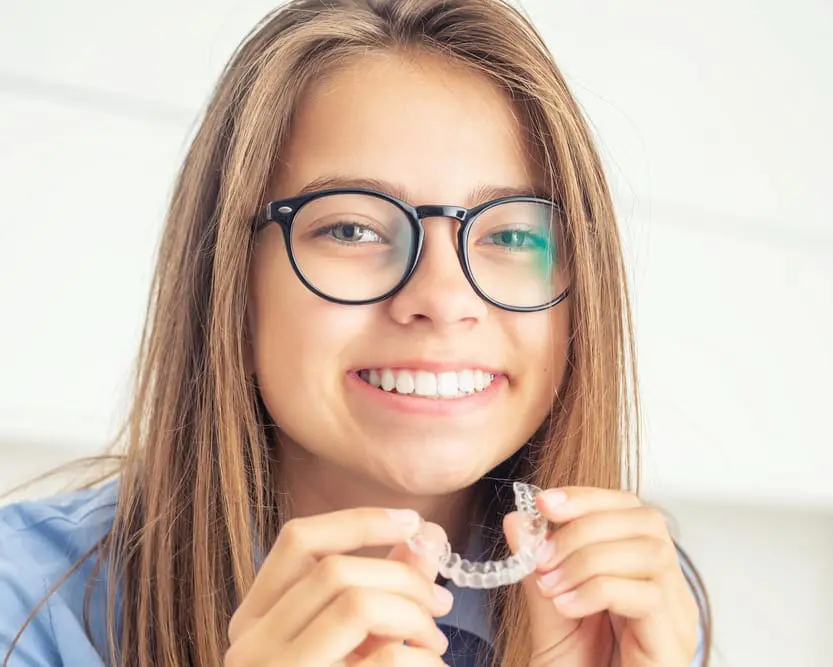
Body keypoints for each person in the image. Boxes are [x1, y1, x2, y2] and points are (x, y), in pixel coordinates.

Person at [0, 1, 711, 665]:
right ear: (230, 280)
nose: (442, 298)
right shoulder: (24, 604)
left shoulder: (630, 606)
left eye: (511, 233)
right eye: (351, 227)